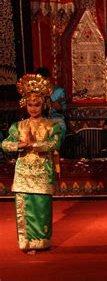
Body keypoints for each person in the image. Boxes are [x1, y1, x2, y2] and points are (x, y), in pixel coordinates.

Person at [1, 74, 61, 254]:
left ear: (43, 105)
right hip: (23, 172)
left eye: (37, 105)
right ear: (25, 105)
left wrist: (34, 144)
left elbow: (55, 144)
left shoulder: (51, 125)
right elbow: (4, 144)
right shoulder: (18, 127)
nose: (33, 108)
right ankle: (27, 243)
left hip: (42, 171)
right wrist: (19, 145)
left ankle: (42, 241)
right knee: (25, 207)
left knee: (41, 207)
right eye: (30, 105)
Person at [34, 67, 67, 144]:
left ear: (49, 78)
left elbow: (63, 109)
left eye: (44, 79)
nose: (42, 82)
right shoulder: (34, 93)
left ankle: (55, 150)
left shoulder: (59, 91)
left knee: (59, 129)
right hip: (39, 119)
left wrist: (59, 108)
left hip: (55, 118)